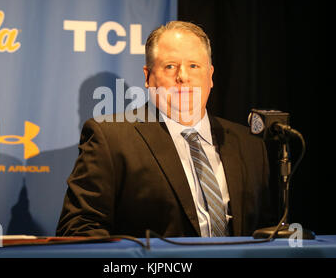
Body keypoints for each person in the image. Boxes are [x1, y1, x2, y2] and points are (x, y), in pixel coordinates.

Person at [56, 21, 271, 238]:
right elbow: (78, 229)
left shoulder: (249, 145)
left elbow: (270, 231)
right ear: (148, 76)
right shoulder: (110, 139)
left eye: (194, 66)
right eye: (170, 66)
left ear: (210, 75)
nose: (183, 77)